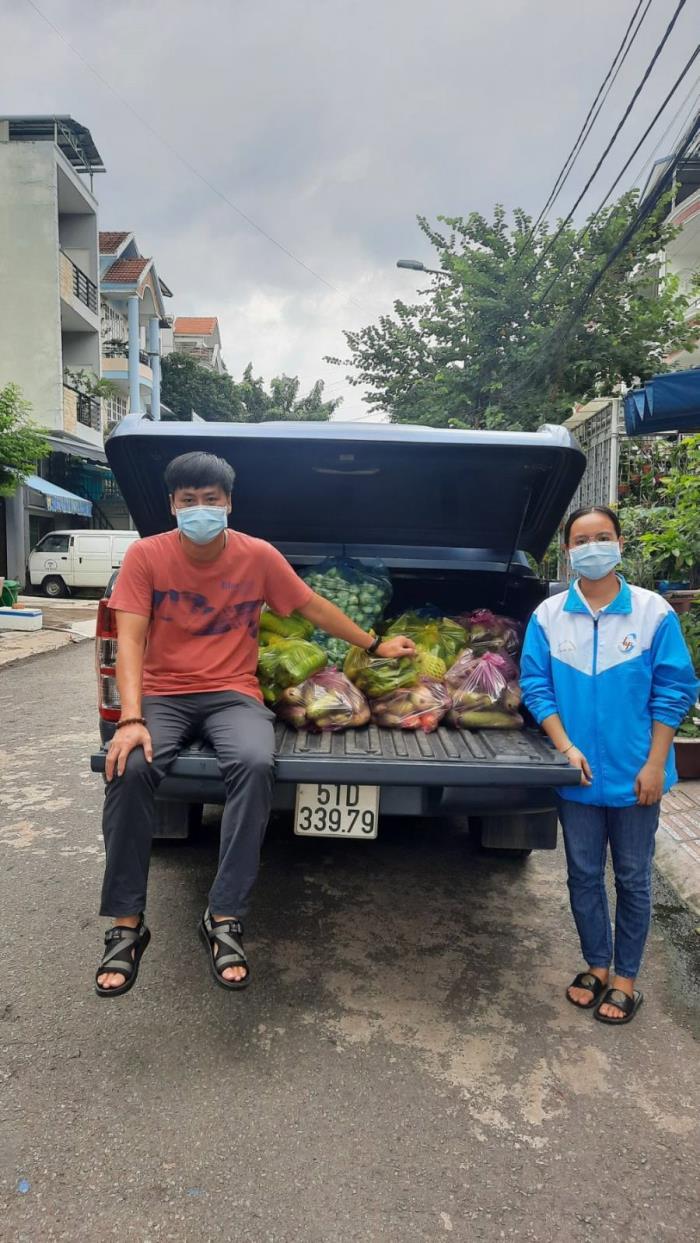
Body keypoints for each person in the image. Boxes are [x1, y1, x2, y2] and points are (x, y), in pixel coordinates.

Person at [95, 451, 415, 998]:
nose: (201, 509)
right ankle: (127, 924)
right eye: (189, 501)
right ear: (173, 505)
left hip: (232, 695)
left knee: (253, 761)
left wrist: (375, 643)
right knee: (129, 767)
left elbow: (311, 606)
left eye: (211, 500)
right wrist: (130, 718)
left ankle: (224, 916)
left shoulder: (257, 555)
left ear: (228, 504)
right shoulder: (146, 556)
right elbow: (129, 639)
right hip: (164, 695)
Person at [520, 505, 697, 1026]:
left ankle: (626, 978)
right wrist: (564, 746)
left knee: (635, 877)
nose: (592, 547)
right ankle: (596, 964)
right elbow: (535, 685)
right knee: (582, 874)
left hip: (636, 774)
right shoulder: (548, 617)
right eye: (581, 539)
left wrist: (656, 762)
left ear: (620, 543)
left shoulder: (652, 613)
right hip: (576, 775)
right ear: (568, 550)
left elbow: (674, 690)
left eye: (603, 536)